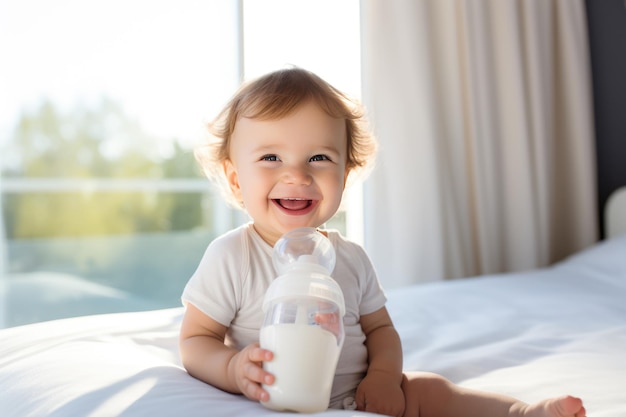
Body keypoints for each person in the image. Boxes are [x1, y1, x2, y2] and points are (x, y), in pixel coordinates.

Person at [178, 67, 586, 417]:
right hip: (277, 392)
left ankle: (520, 411)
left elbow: (381, 331)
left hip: (362, 394)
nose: (297, 176)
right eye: (271, 158)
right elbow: (196, 340)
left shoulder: (350, 258)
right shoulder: (234, 255)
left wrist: (384, 378)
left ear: (346, 174)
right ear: (235, 178)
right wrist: (233, 370)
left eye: (319, 158)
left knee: (431, 391)